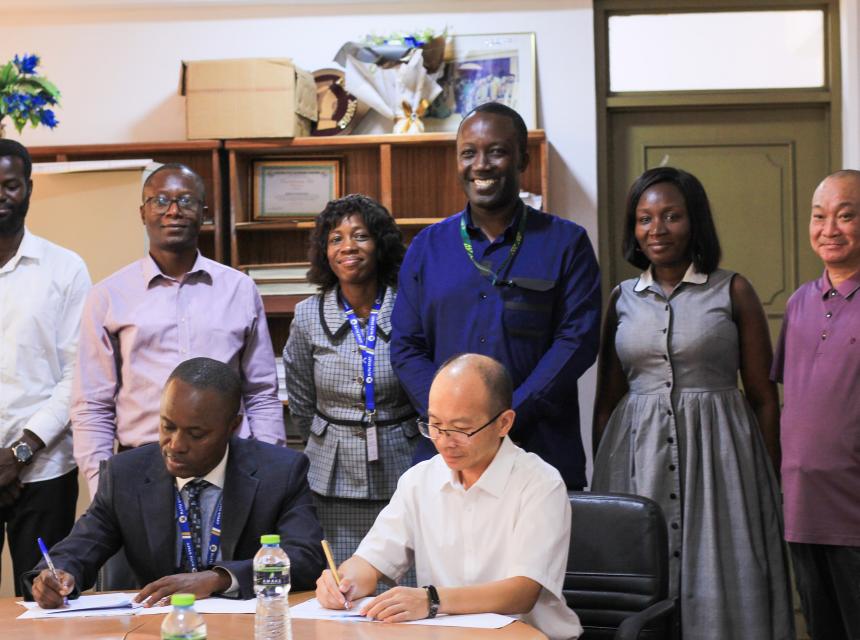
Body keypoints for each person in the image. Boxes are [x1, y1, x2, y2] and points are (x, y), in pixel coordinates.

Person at [591, 167, 793, 640]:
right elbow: (607, 400)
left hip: (724, 462)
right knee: (645, 578)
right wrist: (606, 482)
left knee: (725, 578)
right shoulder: (622, 298)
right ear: (633, 229)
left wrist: (766, 475)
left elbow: (764, 397)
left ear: (694, 221)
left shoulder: (733, 290)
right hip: (638, 461)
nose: (656, 229)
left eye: (671, 216)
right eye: (644, 219)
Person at [391, 103, 601, 490]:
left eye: (497, 151)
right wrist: (451, 423)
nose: (481, 164)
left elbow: (578, 341)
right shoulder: (426, 248)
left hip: (540, 452)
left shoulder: (567, 244)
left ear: (522, 158)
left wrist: (508, 418)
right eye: (469, 152)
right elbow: (406, 348)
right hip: (446, 460)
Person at [315, 354, 582, 640]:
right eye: (435, 425)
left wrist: (431, 600)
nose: (444, 441)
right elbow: (371, 561)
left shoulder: (540, 483)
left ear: (504, 423)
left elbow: (522, 592)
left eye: (461, 429)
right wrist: (343, 581)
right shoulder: (420, 480)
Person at [26, 357, 325, 607]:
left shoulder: (279, 471)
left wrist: (219, 578)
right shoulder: (125, 474)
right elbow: (82, 545)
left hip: (247, 625)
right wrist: (57, 575)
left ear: (232, 427)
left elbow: (306, 558)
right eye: (167, 426)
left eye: (196, 434)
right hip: (159, 627)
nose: (175, 445)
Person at [71, 163, 284, 498]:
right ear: (143, 213)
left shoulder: (239, 289)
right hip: (140, 466)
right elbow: (93, 405)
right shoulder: (108, 296)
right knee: (144, 554)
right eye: (160, 201)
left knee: (229, 553)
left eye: (185, 201)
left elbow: (260, 393)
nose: (173, 211)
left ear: (203, 213)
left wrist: (267, 468)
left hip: (230, 468)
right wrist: (103, 484)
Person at [283, 194, 417, 567]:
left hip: (402, 460)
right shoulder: (308, 316)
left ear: (380, 244)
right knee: (342, 578)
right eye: (335, 238)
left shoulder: (410, 307)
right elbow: (301, 402)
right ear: (325, 251)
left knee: (405, 570)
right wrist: (335, 435)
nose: (348, 247)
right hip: (332, 470)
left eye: (360, 236)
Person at [771, 170, 860, 640]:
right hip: (804, 511)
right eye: (819, 216)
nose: (830, 229)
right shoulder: (799, 303)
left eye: (846, 216)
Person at [0, 140, 91, 595]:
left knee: (45, 597)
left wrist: (17, 455)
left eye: (10, 185)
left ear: (29, 190)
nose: (1, 195)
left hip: (44, 470)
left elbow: (77, 373)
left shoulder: (65, 268)